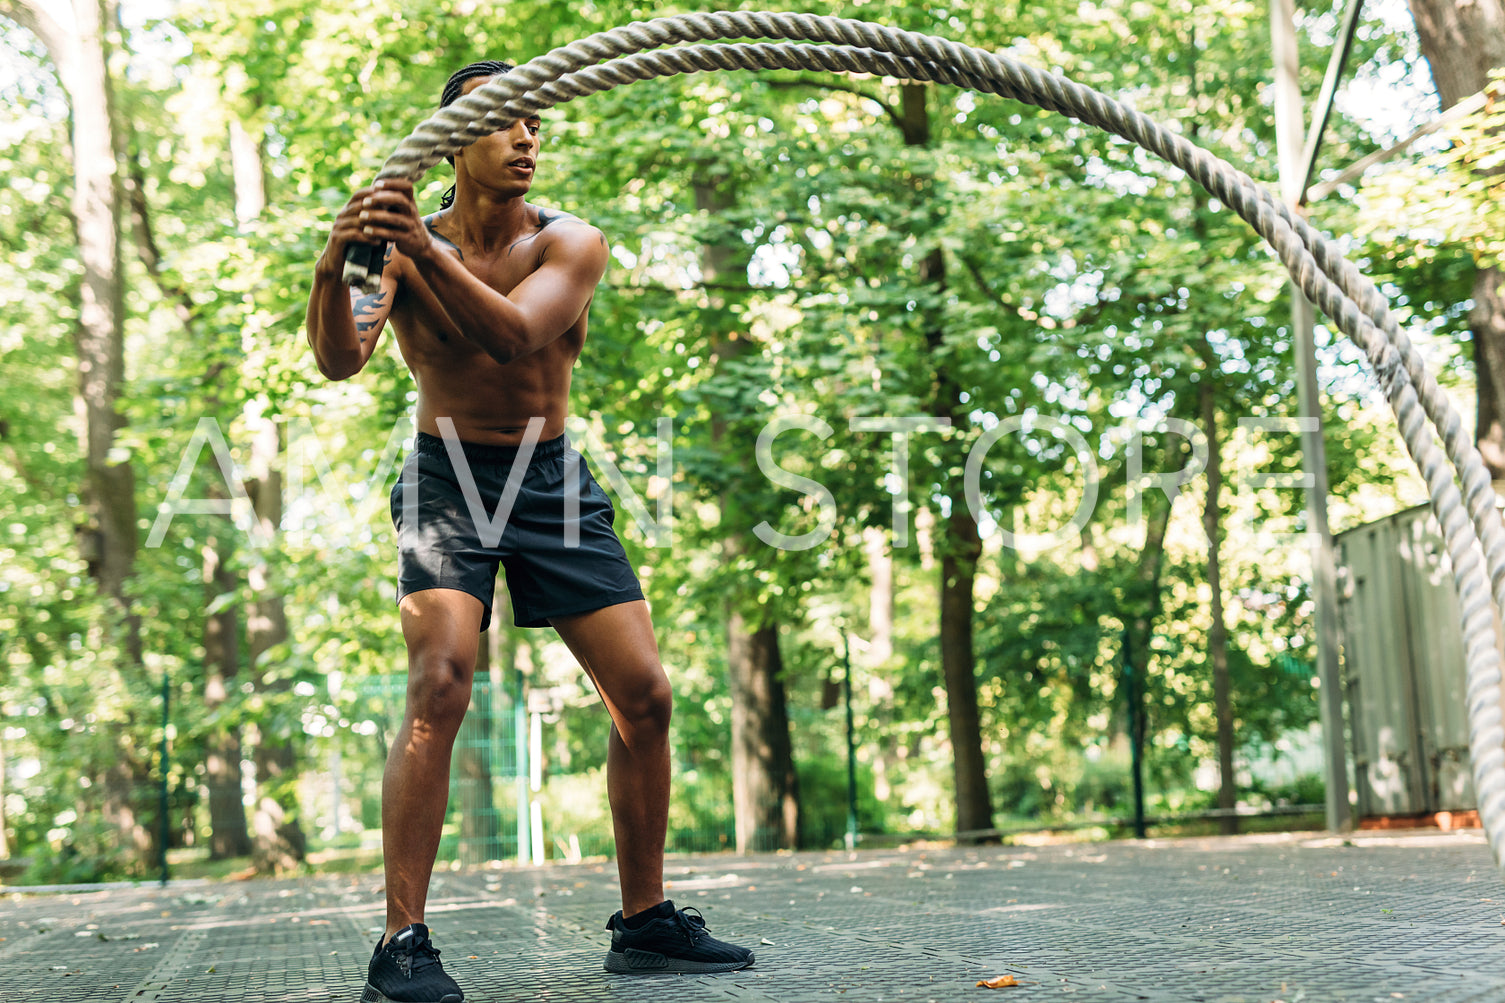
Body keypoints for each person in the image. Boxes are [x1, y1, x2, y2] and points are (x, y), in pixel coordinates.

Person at [306, 61, 755, 1003]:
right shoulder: (393, 244)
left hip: (549, 481)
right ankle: (402, 942)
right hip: (446, 480)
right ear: (452, 139)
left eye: (534, 124)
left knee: (645, 696)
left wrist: (415, 255)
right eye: (504, 123)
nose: (526, 138)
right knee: (439, 678)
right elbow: (341, 358)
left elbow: (511, 337)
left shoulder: (573, 243)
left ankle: (643, 922)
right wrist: (335, 261)